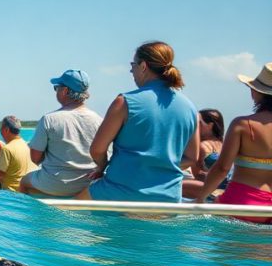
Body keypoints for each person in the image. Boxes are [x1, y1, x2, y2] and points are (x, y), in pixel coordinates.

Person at [79, 42, 199, 202]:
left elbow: (97, 150)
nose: (131, 70)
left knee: (65, 215)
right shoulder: (190, 108)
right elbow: (192, 158)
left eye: (132, 64)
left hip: (120, 193)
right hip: (169, 198)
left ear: (143, 66)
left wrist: (102, 167)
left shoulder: (124, 102)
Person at [194, 63, 272, 223]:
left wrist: (200, 198)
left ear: (257, 92)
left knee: (229, 248)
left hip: (241, 201)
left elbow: (222, 168)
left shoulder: (243, 124)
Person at [19, 69, 102, 197]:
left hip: (55, 183)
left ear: (65, 91)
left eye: (56, 88)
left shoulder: (49, 119)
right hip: (88, 183)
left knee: (24, 181)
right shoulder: (99, 120)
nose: (56, 91)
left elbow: (35, 159)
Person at [182, 109, 226, 199]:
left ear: (210, 126)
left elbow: (197, 175)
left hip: (209, 189)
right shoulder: (225, 144)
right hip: (226, 188)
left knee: (177, 185)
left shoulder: (202, 146)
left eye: (199, 123)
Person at [0, 116, 38, 192]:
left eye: (1, 129)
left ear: (6, 130)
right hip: (25, 190)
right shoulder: (25, 145)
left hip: (11, 193)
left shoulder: (7, 149)